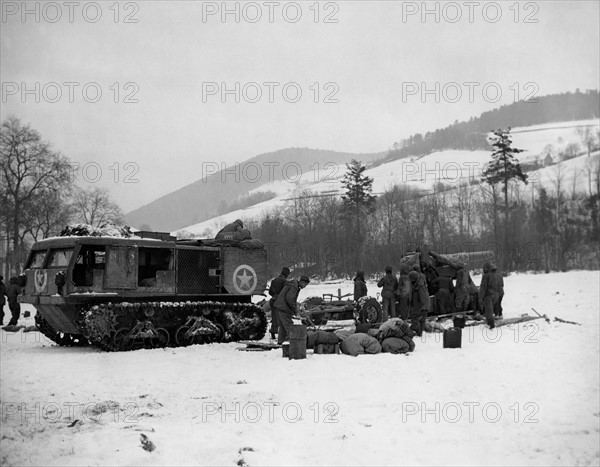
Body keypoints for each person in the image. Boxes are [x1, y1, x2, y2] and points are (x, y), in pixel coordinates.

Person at [273, 275, 310, 345]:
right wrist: (295, 309)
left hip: (280, 307)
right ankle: (295, 343)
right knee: (289, 326)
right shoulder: (294, 287)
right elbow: (290, 299)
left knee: (283, 327)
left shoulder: (293, 285)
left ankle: (280, 342)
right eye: (305, 284)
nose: (305, 286)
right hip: (283, 308)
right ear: (302, 282)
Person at [268, 267, 290, 340]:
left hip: (273, 300)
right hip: (280, 302)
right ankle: (283, 334)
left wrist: (275, 295)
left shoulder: (274, 280)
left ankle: (273, 332)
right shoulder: (285, 281)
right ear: (287, 274)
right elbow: (285, 292)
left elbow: (270, 292)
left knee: (274, 317)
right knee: (282, 318)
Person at [409, 270, 430, 337]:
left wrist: (421, 308)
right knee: (420, 320)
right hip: (420, 305)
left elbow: (423, 298)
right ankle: (419, 333)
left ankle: (417, 331)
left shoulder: (420, 286)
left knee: (416, 319)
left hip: (422, 306)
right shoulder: (417, 284)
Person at [479, 262, 499, 328]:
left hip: (488, 295)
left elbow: (483, 287)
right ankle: (489, 322)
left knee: (489, 310)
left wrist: (480, 297)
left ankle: (491, 324)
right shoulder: (494, 275)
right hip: (495, 294)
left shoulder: (486, 276)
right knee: (490, 309)